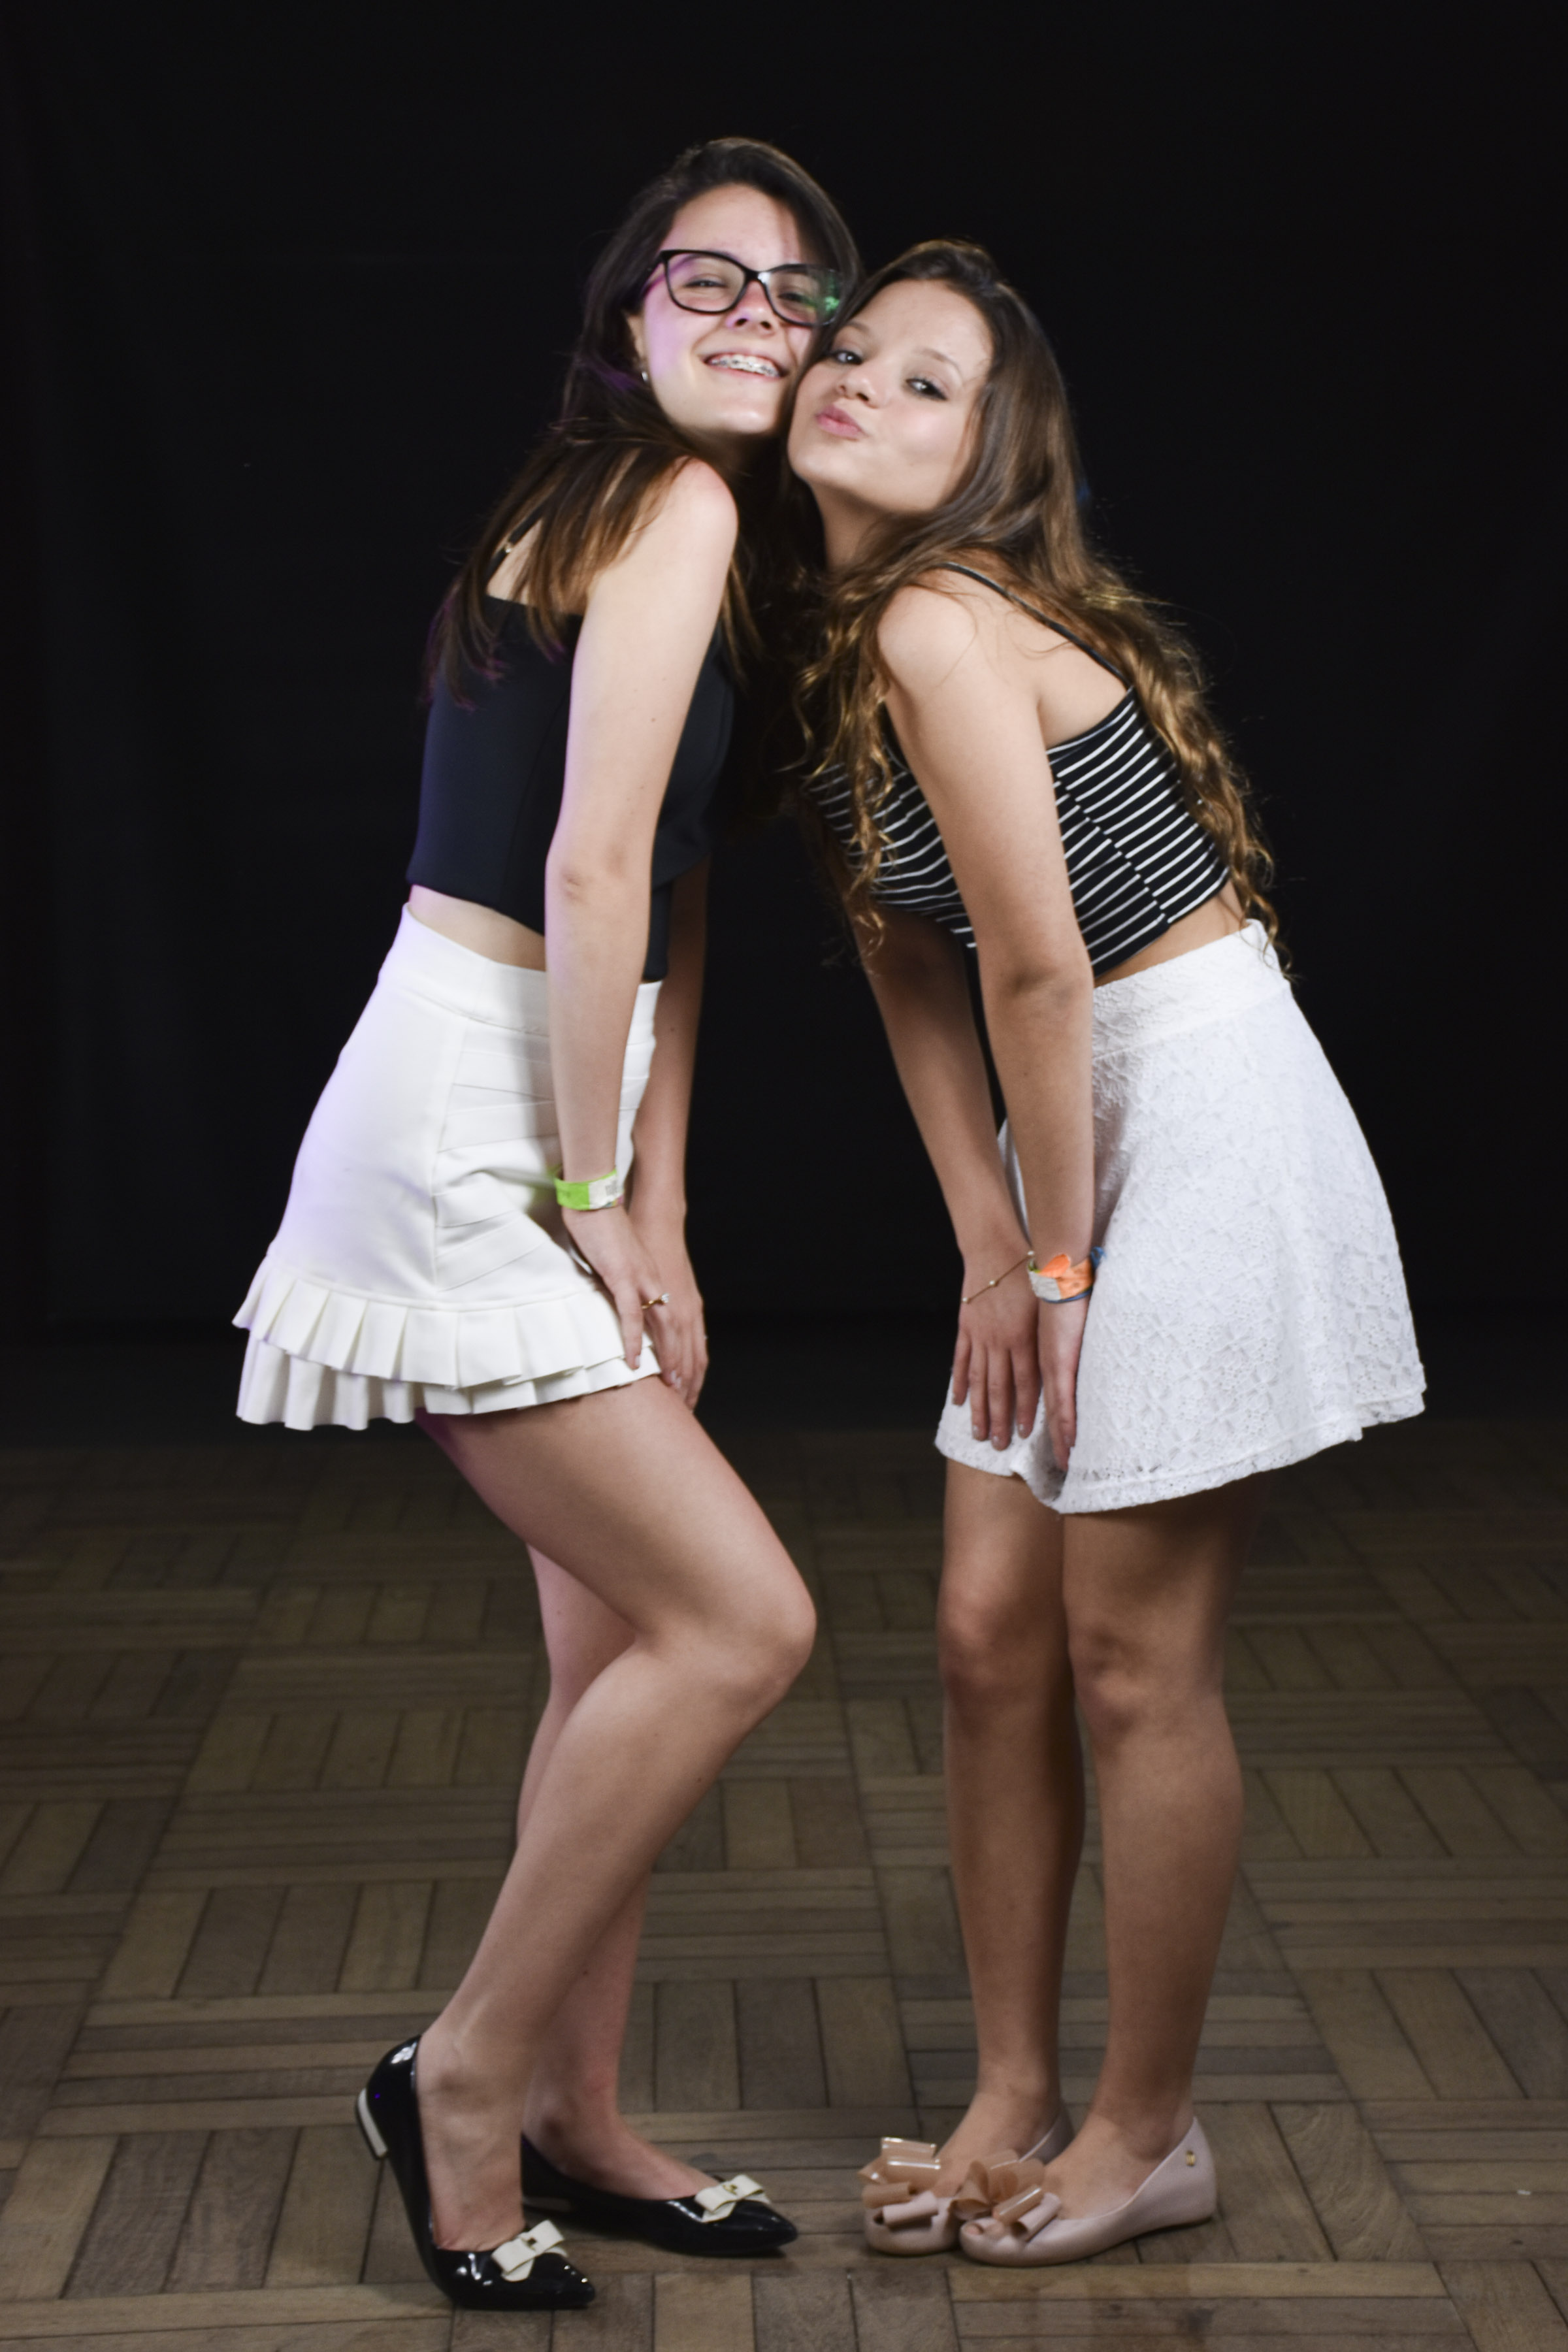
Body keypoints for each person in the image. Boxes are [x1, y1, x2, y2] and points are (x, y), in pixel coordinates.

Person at [233, 140, 858, 2313]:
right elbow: (588, 873)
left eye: (795, 293)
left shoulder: (658, 520)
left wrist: (655, 1207)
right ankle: (468, 2077)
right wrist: (591, 1194)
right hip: (469, 1119)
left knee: (614, 1656)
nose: (756, 319)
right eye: (711, 280)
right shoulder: (666, 503)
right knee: (741, 1625)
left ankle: (581, 2111)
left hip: (537, 1090)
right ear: (628, 315)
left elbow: (669, 904)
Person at [786, 240, 1424, 2266]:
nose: (863, 383)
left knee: (1132, 1658)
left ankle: (1150, 2131)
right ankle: (1011, 2094)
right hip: (1073, 1127)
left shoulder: (944, 616)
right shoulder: (844, 631)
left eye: (928, 383)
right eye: (852, 350)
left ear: (990, 457)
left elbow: (1045, 972)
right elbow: (912, 961)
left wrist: (1058, 1270)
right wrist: (992, 1242)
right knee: (988, 1635)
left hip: (1195, 1104)